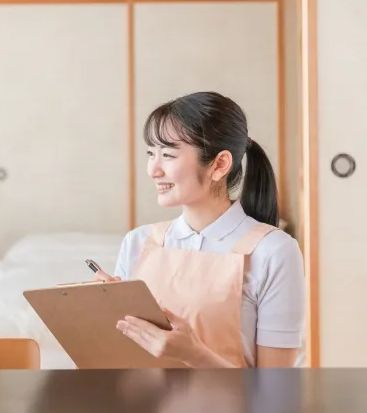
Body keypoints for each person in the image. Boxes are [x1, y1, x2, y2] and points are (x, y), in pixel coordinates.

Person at [95, 91, 305, 368]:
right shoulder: (138, 241)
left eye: (168, 155)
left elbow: (276, 393)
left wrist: (193, 354)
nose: (153, 169)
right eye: (151, 153)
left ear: (219, 165)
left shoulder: (274, 251)